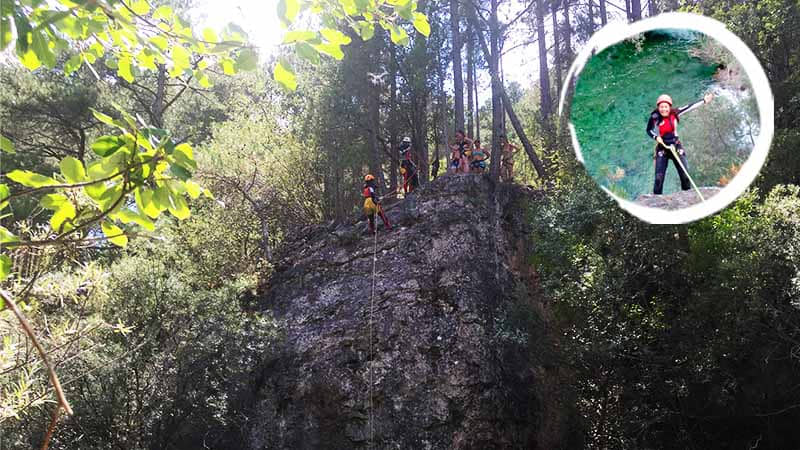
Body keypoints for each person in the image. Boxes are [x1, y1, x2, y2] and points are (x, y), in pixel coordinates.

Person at [646, 93, 713, 195]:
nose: (664, 109)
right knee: (658, 179)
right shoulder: (654, 116)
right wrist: (656, 137)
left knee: (685, 176)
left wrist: (703, 100)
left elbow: (690, 106)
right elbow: (649, 130)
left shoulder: (675, 113)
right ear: (658, 108)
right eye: (661, 107)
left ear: (669, 107)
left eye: (666, 107)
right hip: (662, 148)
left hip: (675, 146)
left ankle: (686, 197)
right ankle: (657, 200)